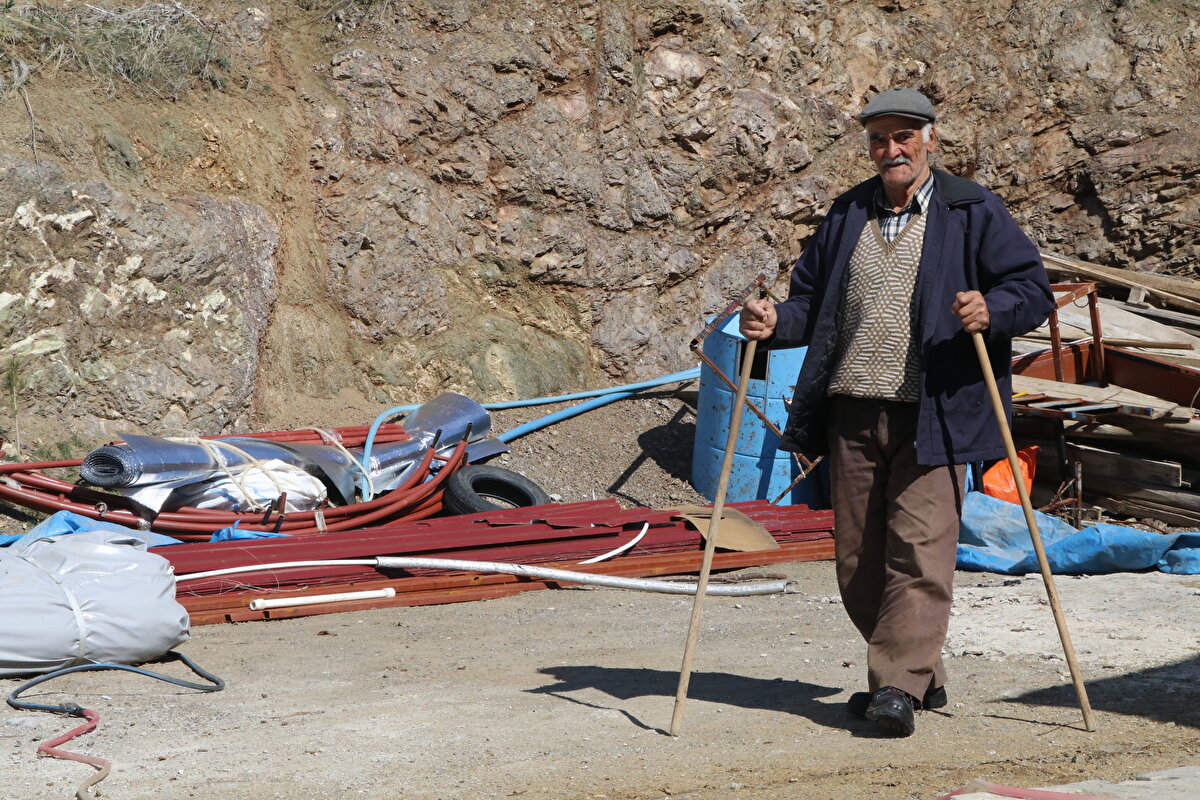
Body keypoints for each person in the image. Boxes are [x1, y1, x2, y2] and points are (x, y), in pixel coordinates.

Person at [740, 88, 1054, 736]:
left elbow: (1031, 288)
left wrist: (992, 311)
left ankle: (896, 688)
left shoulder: (972, 210)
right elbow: (810, 307)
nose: (892, 149)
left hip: (934, 412)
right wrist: (773, 323)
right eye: (880, 139)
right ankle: (920, 672)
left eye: (903, 136)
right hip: (852, 412)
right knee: (858, 561)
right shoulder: (848, 213)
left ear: (930, 139)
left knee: (920, 551)